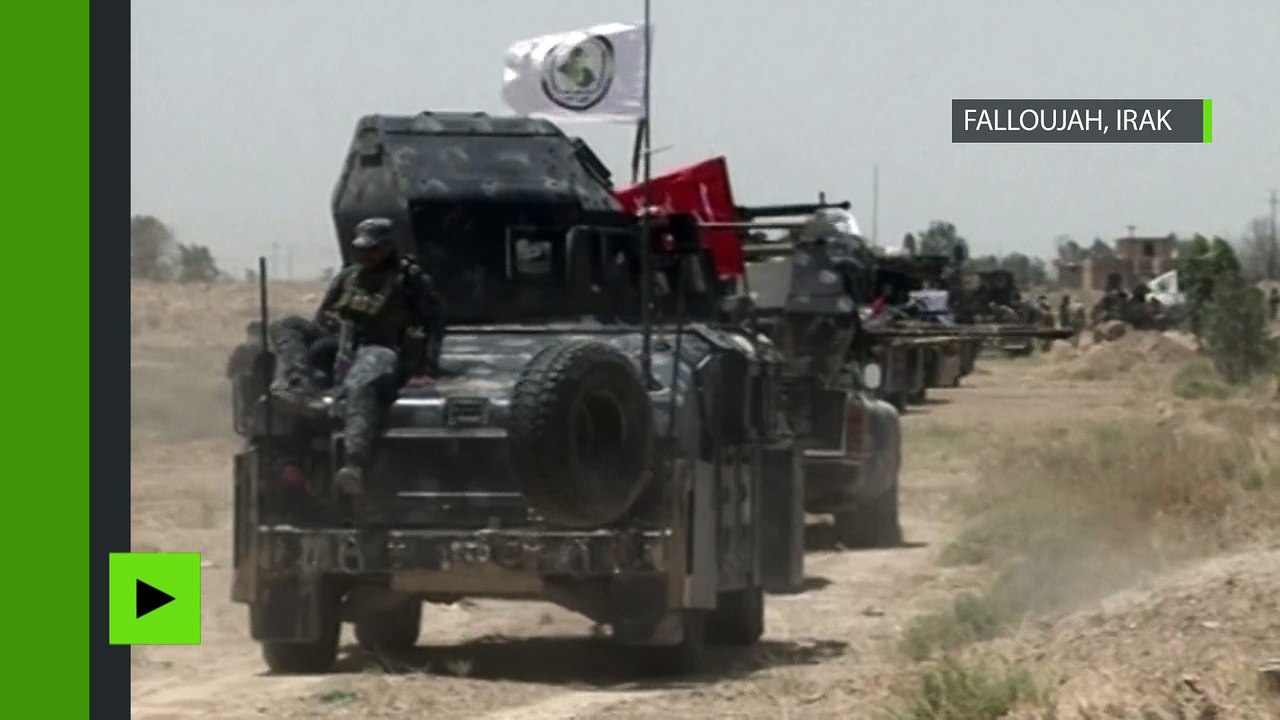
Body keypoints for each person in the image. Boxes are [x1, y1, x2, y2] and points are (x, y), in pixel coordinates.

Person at [269, 217, 445, 496]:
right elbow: (323, 315)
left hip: (380, 347)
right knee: (286, 326)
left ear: (387, 247)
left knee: (361, 385)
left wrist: (428, 368)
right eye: (361, 249)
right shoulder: (348, 276)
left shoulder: (409, 280)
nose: (365, 255)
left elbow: (434, 323)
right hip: (338, 343)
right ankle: (298, 382)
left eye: (372, 249)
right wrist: (331, 326)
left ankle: (354, 462)